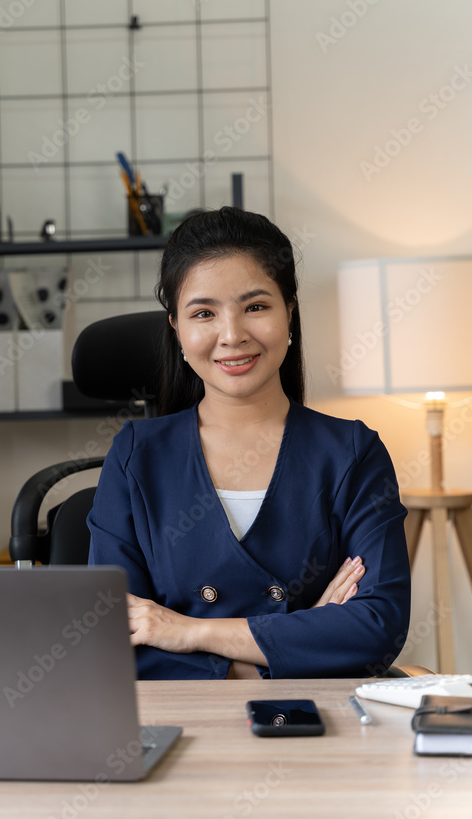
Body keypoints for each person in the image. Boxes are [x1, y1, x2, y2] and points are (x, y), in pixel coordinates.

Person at [87, 207, 411, 680]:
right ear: (177, 327)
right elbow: (110, 637)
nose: (233, 335)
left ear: (289, 313)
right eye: (204, 313)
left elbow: (377, 627)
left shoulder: (352, 453)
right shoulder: (137, 455)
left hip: (315, 728)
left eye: (256, 306)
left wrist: (188, 631)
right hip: (179, 728)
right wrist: (299, 640)